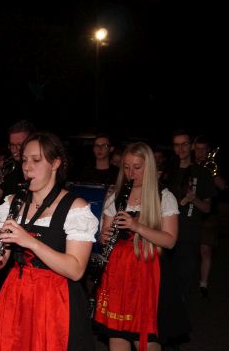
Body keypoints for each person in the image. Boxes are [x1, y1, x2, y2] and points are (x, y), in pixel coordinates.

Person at [0, 132, 98, 350]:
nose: (27, 167)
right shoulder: (13, 203)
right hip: (17, 294)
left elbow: (76, 270)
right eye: (24, 160)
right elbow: (5, 257)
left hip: (56, 300)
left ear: (55, 163)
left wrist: (31, 242)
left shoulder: (75, 208)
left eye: (36, 160)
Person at [93, 142, 188, 351]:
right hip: (118, 270)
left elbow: (170, 240)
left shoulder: (163, 196)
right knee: (116, 334)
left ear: (150, 167)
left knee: (145, 338)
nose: (131, 173)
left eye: (137, 167)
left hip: (148, 271)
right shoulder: (116, 196)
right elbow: (105, 235)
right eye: (126, 167)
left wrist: (137, 226)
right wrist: (104, 237)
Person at [166, 130, 215, 302]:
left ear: (191, 146)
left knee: (182, 281)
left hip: (188, 234)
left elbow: (207, 208)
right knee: (164, 280)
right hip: (165, 233)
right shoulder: (167, 172)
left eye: (185, 144)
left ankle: (178, 313)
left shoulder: (202, 173)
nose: (181, 149)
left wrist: (194, 199)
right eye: (177, 145)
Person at [193, 135, 227, 297]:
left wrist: (212, 173)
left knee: (205, 249)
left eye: (203, 149)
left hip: (209, 214)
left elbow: (223, 186)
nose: (200, 152)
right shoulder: (189, 164)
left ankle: (203, 284)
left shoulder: (213, 165)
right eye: (197, 149)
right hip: (190, 212)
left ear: (208, 150)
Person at [0, 119, 35, 207]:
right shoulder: (8, 166)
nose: (14, 149)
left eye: (20, 145)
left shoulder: (38, 166)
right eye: (12, 145)